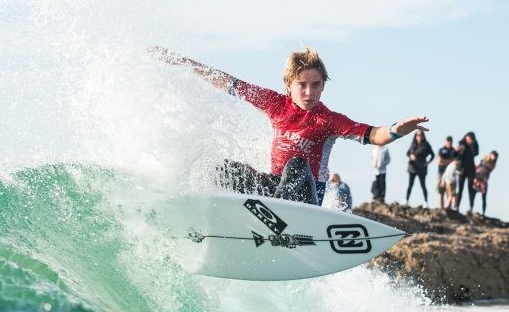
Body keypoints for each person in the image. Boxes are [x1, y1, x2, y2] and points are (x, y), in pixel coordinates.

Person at [150, 46, 428, 205]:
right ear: (289, 85)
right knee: (225, 168)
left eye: (316, 85)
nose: (309, 92)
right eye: (302, 85)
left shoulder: (328, 119)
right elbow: (229, 82)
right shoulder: (275, 104)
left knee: (296, 165)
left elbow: (373, 135)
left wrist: (397, 130)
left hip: (306, 199)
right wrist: (185, 63)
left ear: (323, 86)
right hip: (276, 190)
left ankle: (278, 215)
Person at [405, 131, 435, 206]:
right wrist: (411, 156)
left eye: (421, 135)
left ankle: (426, 202)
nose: (419, 137)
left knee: (423, 185)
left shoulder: (426, 145)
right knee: (410, 185)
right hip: (412, 167)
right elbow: (407, 153)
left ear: (423, 136)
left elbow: (433, 155)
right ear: (415, 136)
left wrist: (428, 162)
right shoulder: (413, 144)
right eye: (418, 135)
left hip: (422, 167)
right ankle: (406, 200)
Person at [456, 132, 479, 212]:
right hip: (462, 169)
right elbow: (454, 155)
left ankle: (471, 207)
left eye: (470, 139)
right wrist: (457, 150)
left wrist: (472, 143)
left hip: (471, 170)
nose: (468, 140)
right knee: (460, 189)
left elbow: (475, 153)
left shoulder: (474, 144)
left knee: (470, 189)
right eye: (467, 138)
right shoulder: (461, 144)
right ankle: (457, 207)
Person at [472, 151, 499, 216]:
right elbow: (475, 166)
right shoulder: (483, 160)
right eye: (493, 155)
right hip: (477, 178)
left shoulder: (493, 164)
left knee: (484, 196)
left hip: (484, 180)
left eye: (495, 156)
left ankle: (483, 212)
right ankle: (471, 208)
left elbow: (490, 169)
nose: (494, 157)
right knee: (473, 194)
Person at [436, 136, 458, 209]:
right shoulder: (441, 150)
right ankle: (440, 208)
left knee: (450, 191)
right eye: (448, 141)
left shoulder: (454, 151)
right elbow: (439, 161)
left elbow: (455, 162)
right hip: (441, 172)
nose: (449, 143)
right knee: (440, 190)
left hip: (450, 174)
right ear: (446, 141)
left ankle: (449, 208)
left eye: (450, 141)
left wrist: (445, 161)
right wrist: (449, 162)